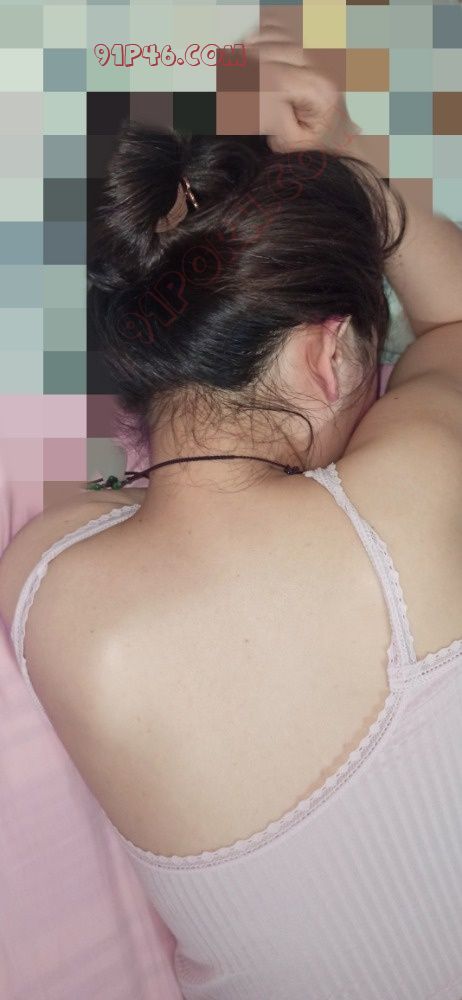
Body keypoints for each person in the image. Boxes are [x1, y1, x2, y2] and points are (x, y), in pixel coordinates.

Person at [2, 23, 462, 1000]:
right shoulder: (412, 501)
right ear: (330, 358)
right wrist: (357, 158)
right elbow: (456, 319)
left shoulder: (44, 584)